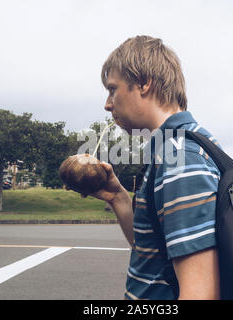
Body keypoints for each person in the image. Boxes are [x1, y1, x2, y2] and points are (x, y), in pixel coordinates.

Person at [91, 35, 220, 300]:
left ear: (143, 83)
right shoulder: (176, 147)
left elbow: (200, 293)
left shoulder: (180, 157)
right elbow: (155, 252)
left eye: (113, 89)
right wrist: (118, 197)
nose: (107, 104)